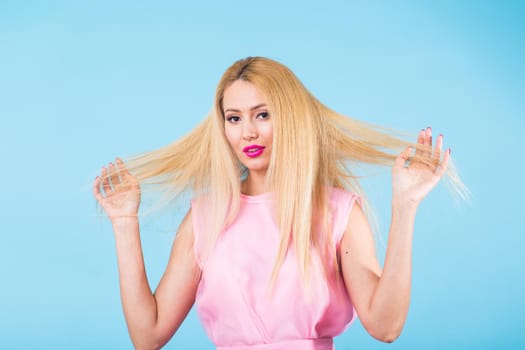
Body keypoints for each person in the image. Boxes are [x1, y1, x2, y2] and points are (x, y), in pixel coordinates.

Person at [93, 56, 465, 350]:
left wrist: (406, 204)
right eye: (234, 118)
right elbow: (149, 336)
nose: (248, 132)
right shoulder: (205, 217)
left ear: (291, 117)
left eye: (263, 114)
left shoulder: (337, 213)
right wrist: (124, 221)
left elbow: (385, 327)